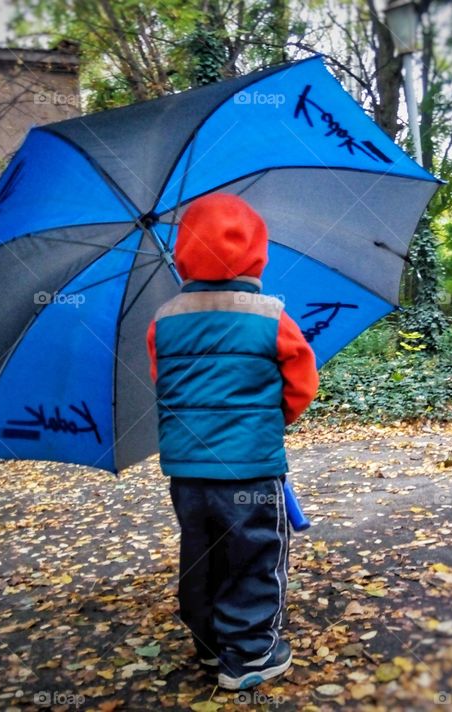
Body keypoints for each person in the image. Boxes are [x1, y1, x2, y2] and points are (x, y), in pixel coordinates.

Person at [145, 193, 319, 691]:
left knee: (202, 553)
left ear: (183, 254)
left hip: (187, 471)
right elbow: (302, 383)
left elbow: (164, 382)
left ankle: (209, 645)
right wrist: (269, 421)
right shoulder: (270, 315)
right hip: (250, 469)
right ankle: (249, 655)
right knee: (255, 553)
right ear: (256, 254)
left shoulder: (164, 318)